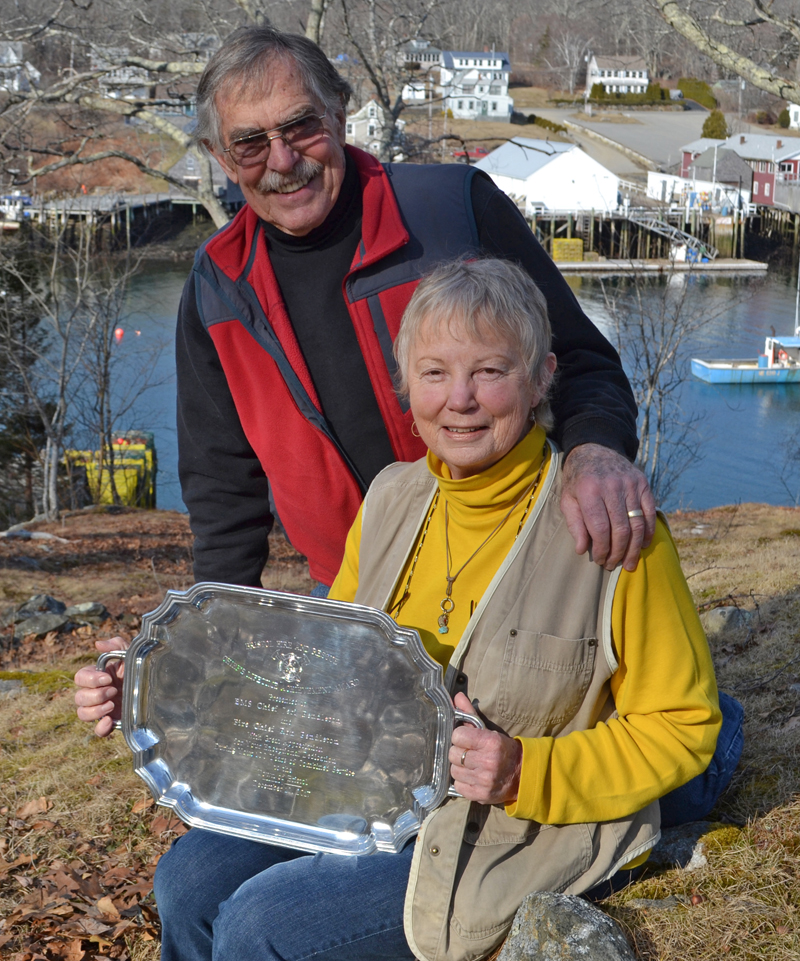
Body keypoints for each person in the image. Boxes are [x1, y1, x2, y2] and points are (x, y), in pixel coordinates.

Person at [143, 259, 724, 961]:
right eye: (435, 373)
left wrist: (523, 771)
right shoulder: (389, 496)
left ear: (542, 377)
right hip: (373, 789)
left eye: (490, 371)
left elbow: (685, 725)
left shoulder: (609, 526)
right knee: (184, 881)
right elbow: (331, 676)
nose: (461, 400)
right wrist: (158, 681)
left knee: (257, 925)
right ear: (406, 387)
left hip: (514, 821)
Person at [174, 24, 658, 599]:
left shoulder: (454, 212)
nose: (282, 159)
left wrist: (594, 450)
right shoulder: (217, 287)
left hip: (520, 561)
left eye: (300, 125)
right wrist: (219, 632)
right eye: (250, 142)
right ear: (221, 158)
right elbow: (221, 486)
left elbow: (580, 360)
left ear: (338, 110)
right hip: (357, 595)